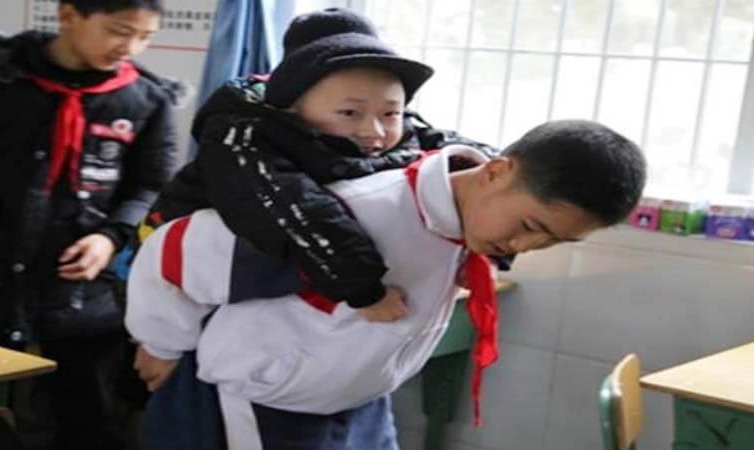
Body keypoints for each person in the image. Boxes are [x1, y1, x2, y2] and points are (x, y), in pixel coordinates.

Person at [126, 119, 647, 449]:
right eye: (531, 227)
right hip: (266, 406)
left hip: (359, 399)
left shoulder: (457, 221)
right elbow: (175, 253)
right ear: (496, 172)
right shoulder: (357, 214)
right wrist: (162, 342)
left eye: (552, 243)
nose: (525, 249)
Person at [135, 7, 504, 327]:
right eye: (349, 112)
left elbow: (479, 162)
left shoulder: (397, 129)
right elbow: (293, 211)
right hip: (170, 276)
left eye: (390, 112)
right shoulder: (243, 137)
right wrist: (364, 290)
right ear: (292, 107)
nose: (373, 130)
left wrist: (496, 237)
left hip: (265, 297)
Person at [0, 0, 181, 448]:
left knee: (85, 416)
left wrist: (110, 236)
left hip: (79, 291)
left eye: (145, 36)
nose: (130, 47)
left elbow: (151, 186)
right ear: (68, 15)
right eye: (119, 30)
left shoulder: (146, 100)